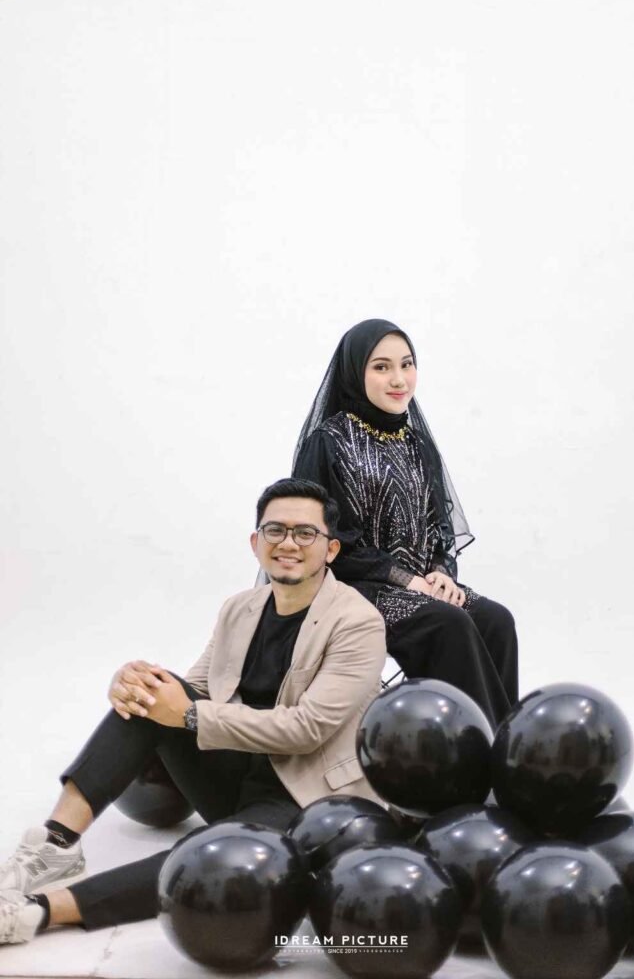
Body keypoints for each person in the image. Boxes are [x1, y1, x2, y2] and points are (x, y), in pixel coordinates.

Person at [0, 478, 385, 945]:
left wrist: (188, 714)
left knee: (211, 855)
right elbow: (196, 688)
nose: (288, 543)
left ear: (330, 549)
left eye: (305, 533)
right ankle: (55, 845)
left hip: (302, 795)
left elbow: (307, 729)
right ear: (256, 542)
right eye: (275, 530)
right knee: (150, 692)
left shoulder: (358, 622)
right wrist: (134, 683)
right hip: (234, 774)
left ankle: (38, 912)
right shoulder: (240, 608)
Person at [293, 318, 518, 727]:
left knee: (495, 619)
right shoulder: (328, 443)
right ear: (355, 372)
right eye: (381, 367)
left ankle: (503, 741)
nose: (399, 379)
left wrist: (441, 572)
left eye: (407, 364)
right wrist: (407, 580)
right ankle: (464, 747)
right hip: (352, 588)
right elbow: (322, 541)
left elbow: (438, 530)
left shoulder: (417, 444)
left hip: (420, 584)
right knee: (447, 623)